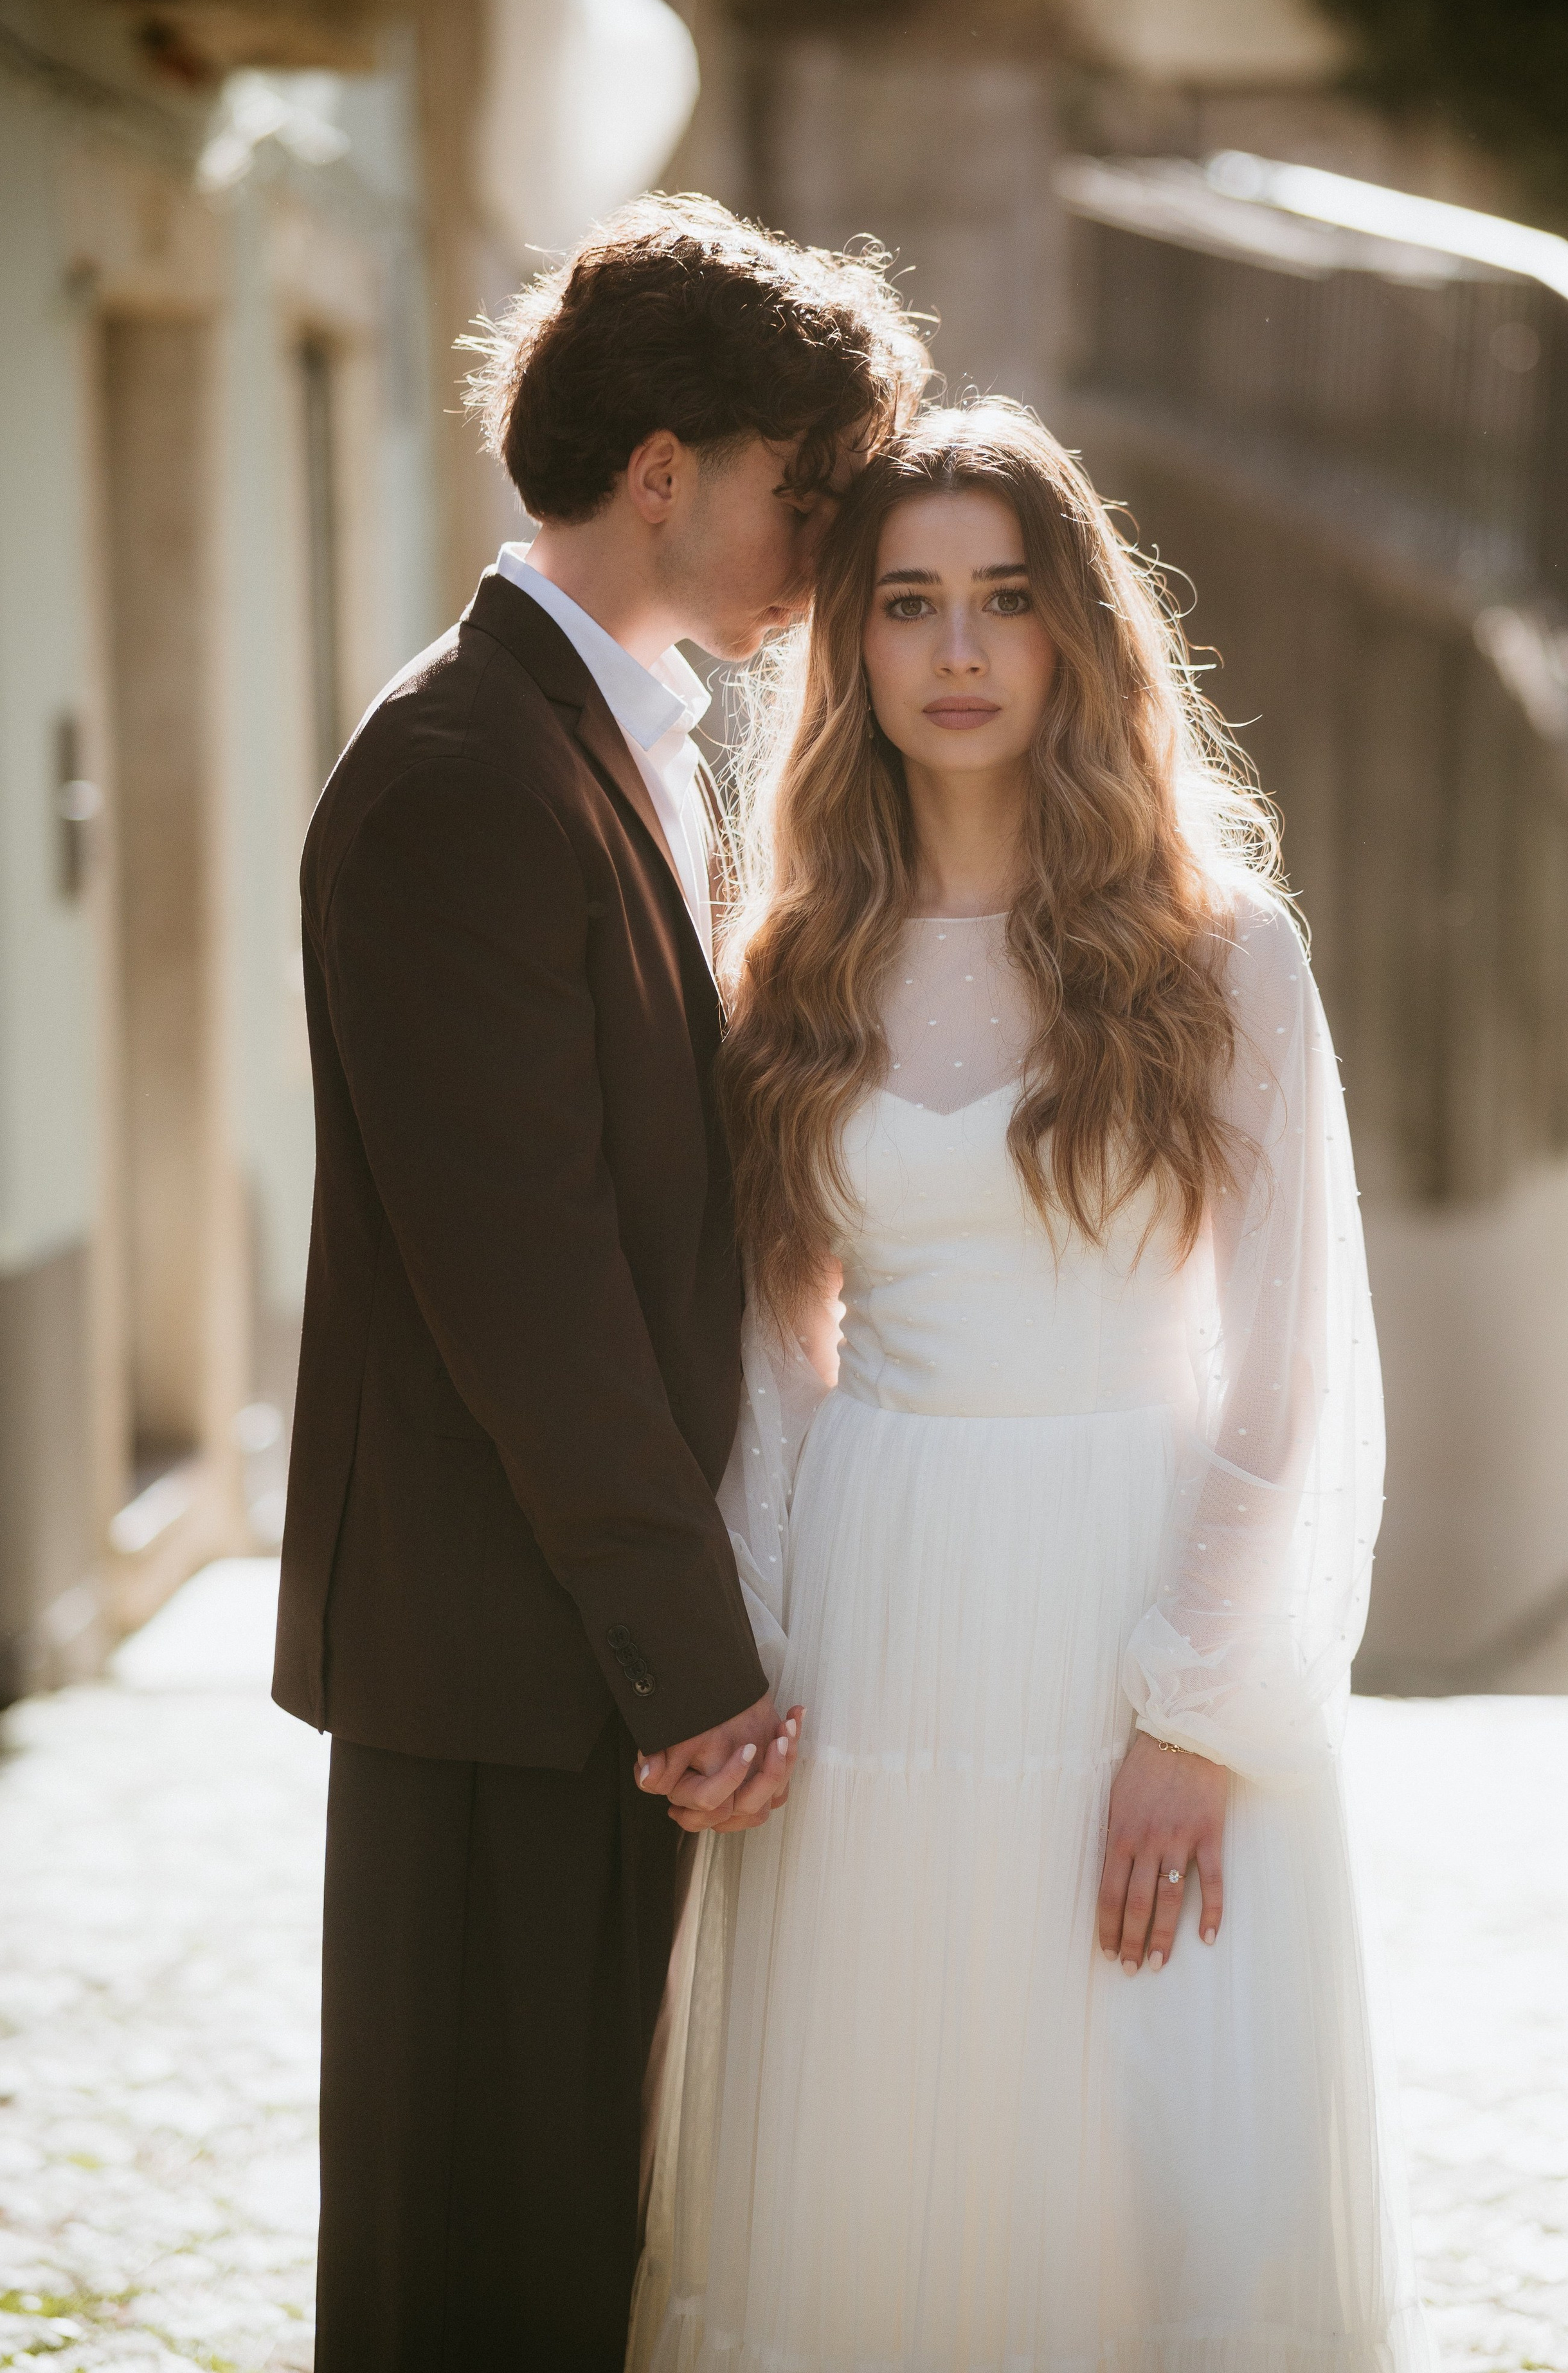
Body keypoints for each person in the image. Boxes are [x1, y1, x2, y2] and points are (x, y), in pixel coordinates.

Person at [629, 401, 1436, 2371]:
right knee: (888, 2161)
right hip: (881, 1598)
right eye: (909, 606)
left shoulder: (1217, 953)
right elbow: (773, 1349)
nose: (962, 651)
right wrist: (755, 1645)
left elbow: (1289, 1358)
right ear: (856, 650)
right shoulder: (795, 961)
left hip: (1130, 1597)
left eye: (1005, 598)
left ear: (1080, 630)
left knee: (1137, 2166)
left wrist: (1196, 1704)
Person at [271, 193, 928, 2371]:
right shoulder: (465, 770)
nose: (824, 552)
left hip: (582, 1647)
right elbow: (528, 1293)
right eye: (807, 494)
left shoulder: (612, 734)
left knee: (572, 2239)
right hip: (506, 1658)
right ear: (672, 465)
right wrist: (693, 1666)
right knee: (475, 2257)